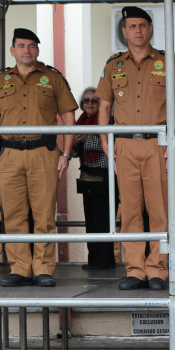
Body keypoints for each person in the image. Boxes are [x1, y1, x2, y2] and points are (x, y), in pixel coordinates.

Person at [96, 6, 175, 291]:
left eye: (142, 25)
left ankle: (158, 270)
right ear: (124, 32)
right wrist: (104, 142)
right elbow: (105, 106)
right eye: (131, 26)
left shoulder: (166, 61)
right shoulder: (113, 65)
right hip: (124, 143)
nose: (137, 30)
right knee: (131, 211)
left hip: (157, 142)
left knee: (160, 209)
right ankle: (135, 270)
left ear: (150, 29)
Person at [0, 28, 78, 288]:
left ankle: (43, 268)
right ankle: (20, 268)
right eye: (22, 46)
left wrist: (66, 152)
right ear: (13, 51)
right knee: (12, 215)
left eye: (32, 45)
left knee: (44, 214)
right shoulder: (0, 80)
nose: (27, 50)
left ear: (37, 50)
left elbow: (69, 117)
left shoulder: (53, 77)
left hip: (43, 153)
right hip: (9, 154)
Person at [72, 86, 116, 270]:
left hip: (105, 176)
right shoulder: (80, 121)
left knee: (103, 221)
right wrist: (75, 141)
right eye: (86, 100)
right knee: (90, 220)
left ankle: (105, 261)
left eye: (94, 100)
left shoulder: (108, 120)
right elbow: (75, 152)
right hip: (87, 176)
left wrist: (84, 139)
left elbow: (108, 147)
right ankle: (94, 260)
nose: (90, 103)